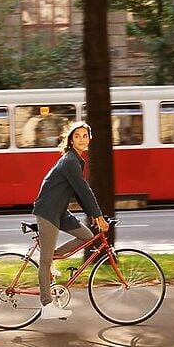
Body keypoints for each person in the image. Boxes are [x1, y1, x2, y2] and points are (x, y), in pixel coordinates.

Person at [32, 121, 109, 320]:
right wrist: (98, 216)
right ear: (71, 140)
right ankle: (47, 305)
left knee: (87, 236)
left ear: (89, 139)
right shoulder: (70, 161)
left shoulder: (75, 160)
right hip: (49, 211)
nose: (81, 139)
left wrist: (93, 214)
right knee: (45, 260)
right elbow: (84, 190)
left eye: (85, 136)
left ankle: (52, 258)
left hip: (60, 211)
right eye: (77, 136)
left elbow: (79, 192)